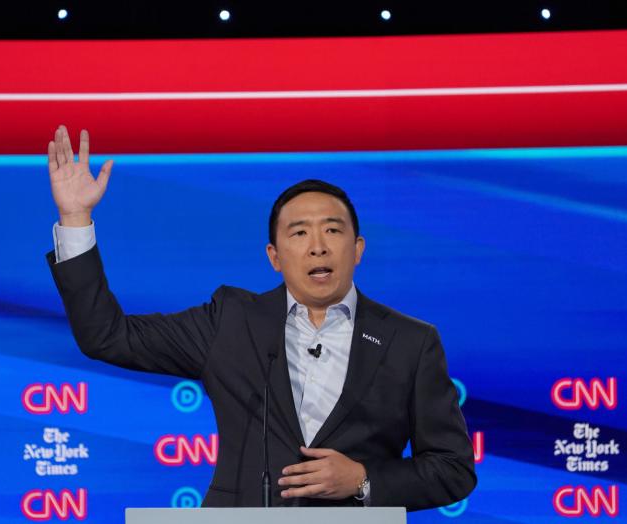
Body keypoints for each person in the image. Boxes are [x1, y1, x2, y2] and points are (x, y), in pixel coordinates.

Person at [46, 125, 476, 509]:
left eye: (332, 230)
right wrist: (75, 218)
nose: (318, 246)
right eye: (300, 233)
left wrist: (363, 480)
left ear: (358, 248)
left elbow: (454, 469)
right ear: (274, 257)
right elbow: (106, 336)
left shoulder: (410, 341)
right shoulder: (231, 322)